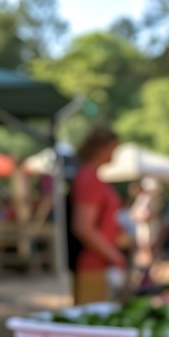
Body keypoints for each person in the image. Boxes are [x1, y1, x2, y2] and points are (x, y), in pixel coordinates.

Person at [70, 126, 125, 303]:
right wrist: (114, 256)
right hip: (93, 264)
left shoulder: (91, 176)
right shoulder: (88, 178)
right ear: (101, 148)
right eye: (113, 149)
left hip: (101, 263)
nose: (114, 154)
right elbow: (83, 227)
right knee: (93, 321)